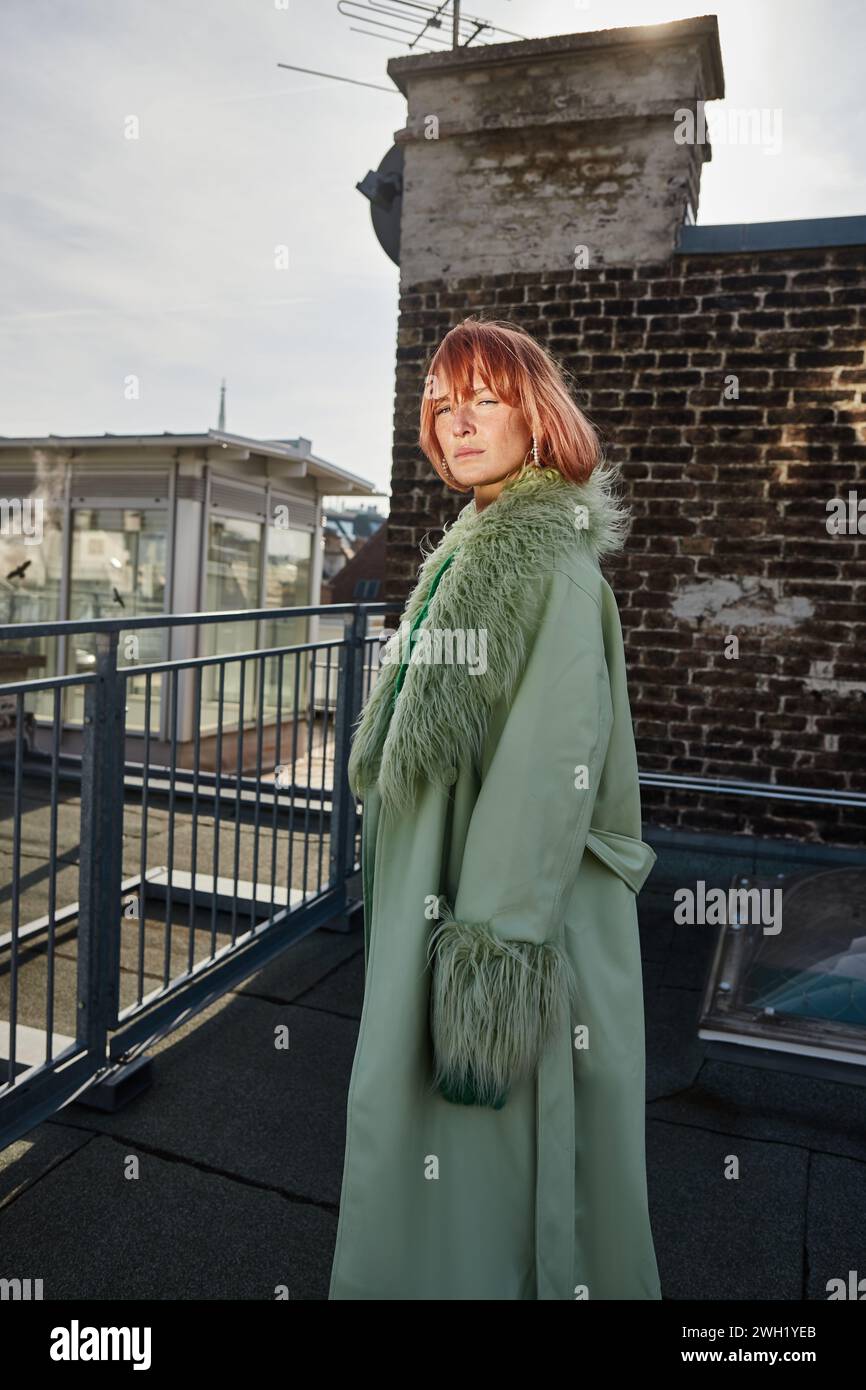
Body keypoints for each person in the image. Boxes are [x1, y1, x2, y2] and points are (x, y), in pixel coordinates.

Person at [328, 318, 661, 1300]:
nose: (455, 421)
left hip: (493, 919)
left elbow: (546, 774)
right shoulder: (478, 541)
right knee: (425, 1152)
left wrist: (490, 966)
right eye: (439, 402)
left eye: (481, 397)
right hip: (442, 897)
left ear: (534, 410)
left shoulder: (544, 559)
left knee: (483, 1172)